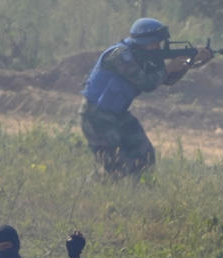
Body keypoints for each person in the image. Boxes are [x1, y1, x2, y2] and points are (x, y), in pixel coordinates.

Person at [79, 17, 213, 177]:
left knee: (144, 155)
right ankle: (88, 190)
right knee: (115, 167)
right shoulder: (120, 55)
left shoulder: (145, 56)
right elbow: (147, 83)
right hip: (97, 116)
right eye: (155, 43)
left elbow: (167, 80)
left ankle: (137, 191)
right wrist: (170, 67)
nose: (158, 46)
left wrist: (189, 62)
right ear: (144, 41)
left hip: (118, 114)